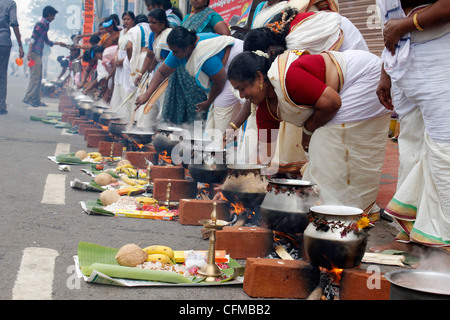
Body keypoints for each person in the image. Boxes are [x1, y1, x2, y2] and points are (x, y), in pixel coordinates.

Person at [228, 49, 390, 220]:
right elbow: (262, 156)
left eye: (242, 88)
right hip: (341, 93)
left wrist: (308, 130)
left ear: (259, 77)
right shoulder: (265, 110)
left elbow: (332, 103)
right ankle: (343, 210)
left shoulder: (288, 79)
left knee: (324, 142)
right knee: (325, 148)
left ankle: (334, 215)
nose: (242, 95)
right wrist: (235, 186)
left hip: (363, 76)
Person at [371, 0, 450, 252]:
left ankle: (444, 243)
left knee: (443, 156)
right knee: (411, 153)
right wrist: (386, 74)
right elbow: (389, 26)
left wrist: (407, 24)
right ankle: (409, 238)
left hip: (440, 64)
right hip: (403, 69)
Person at [135, 27, 243, 137]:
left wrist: (208, 101)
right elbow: (161, 73)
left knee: (221, 104)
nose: (173, 54)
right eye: (172, 50)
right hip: (224, 68)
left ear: (187, 48)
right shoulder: (179, 50)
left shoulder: (202, 53)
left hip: (239, 61)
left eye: (175, 51)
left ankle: (222, 143)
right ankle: (220, 141)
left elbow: (220, 81)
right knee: (216, 107)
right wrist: (147, 95)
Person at [160, 0, 230, 126]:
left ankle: (198, 140)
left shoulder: (212, 16)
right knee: (180, 104)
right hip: (182, 71)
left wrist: (223, 60)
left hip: (199, 69)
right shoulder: (187, 17)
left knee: (197, 107)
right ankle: (181, 139)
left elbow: (226, 36)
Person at [132, 9, 172, 130]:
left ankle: (163, 131)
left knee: (164, 102)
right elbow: (150, 55)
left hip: (169, 73)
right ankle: (151, 129)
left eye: (154, 22)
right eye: (149, 22)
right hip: (158, 72)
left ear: (162, 23)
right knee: (154, 101)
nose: (151, 25)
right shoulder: (152, 36)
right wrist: (140, 73)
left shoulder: (169, 35)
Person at [23, 6, 64, 108]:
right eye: (53, 15)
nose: (54, 18)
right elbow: (33, 38)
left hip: (38, 53)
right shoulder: (41, 24)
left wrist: (58, 43)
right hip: (34, 53)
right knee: (35, 76)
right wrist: (29, 52)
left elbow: (46, 40)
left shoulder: (46, 25)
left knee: (38, 76)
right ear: (49, 14)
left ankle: (36, 100)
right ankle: (28, 97)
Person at [125, 14, 151, 129]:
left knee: (140, 89)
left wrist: (131, 59)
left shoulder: (134, 29)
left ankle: (138, 121)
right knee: (148, 89)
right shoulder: (152, 27)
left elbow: (129, 47)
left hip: (141, 58)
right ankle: (146, 121)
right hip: (151, 58)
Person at [109, 11, 135, 119]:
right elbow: (119, 47)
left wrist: (122, 61)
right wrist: (116, 58)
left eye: (128, 19)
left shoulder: (134, 32)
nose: (126, 21)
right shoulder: (122, 32)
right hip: (119, 63)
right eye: (124, 19)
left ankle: (126, 116)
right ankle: (117, 114)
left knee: (127, 87)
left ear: (133, 20)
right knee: (118, 86)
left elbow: (133, 50)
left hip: (127, 62)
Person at [0, 0, 23, 114]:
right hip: (4, 42)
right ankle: (1, 106)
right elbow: (14, 23)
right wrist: (20, 44)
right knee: (2, 75)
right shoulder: (10, 3)